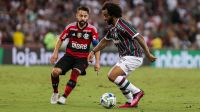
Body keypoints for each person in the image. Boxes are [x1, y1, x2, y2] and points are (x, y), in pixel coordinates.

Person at [88, 2, 156, 108]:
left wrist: (148, 53)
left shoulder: (122, 25)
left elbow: (140, 37)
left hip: (133, 56)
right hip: (125, 57)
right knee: (119, 79)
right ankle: (130, 102)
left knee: (112, 75)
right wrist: (92, 51)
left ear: (113, 15)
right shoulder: (112, 29)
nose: (104, 18)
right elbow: (104, 42)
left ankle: (137, 92)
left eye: (106, 15)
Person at [50, 6, 100, 105]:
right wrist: (55, 53)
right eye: (81, 15)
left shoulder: (92, 29)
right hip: (69, 56)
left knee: (75, 72)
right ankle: (55, 93)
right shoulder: (70, 27)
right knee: (55, 72)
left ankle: (64, 97)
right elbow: (60, 39)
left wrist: (97, 63)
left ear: (88, 17)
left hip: (82, 58)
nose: (83, 18)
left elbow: (97, 46)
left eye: (85, 16)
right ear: (77, 16)